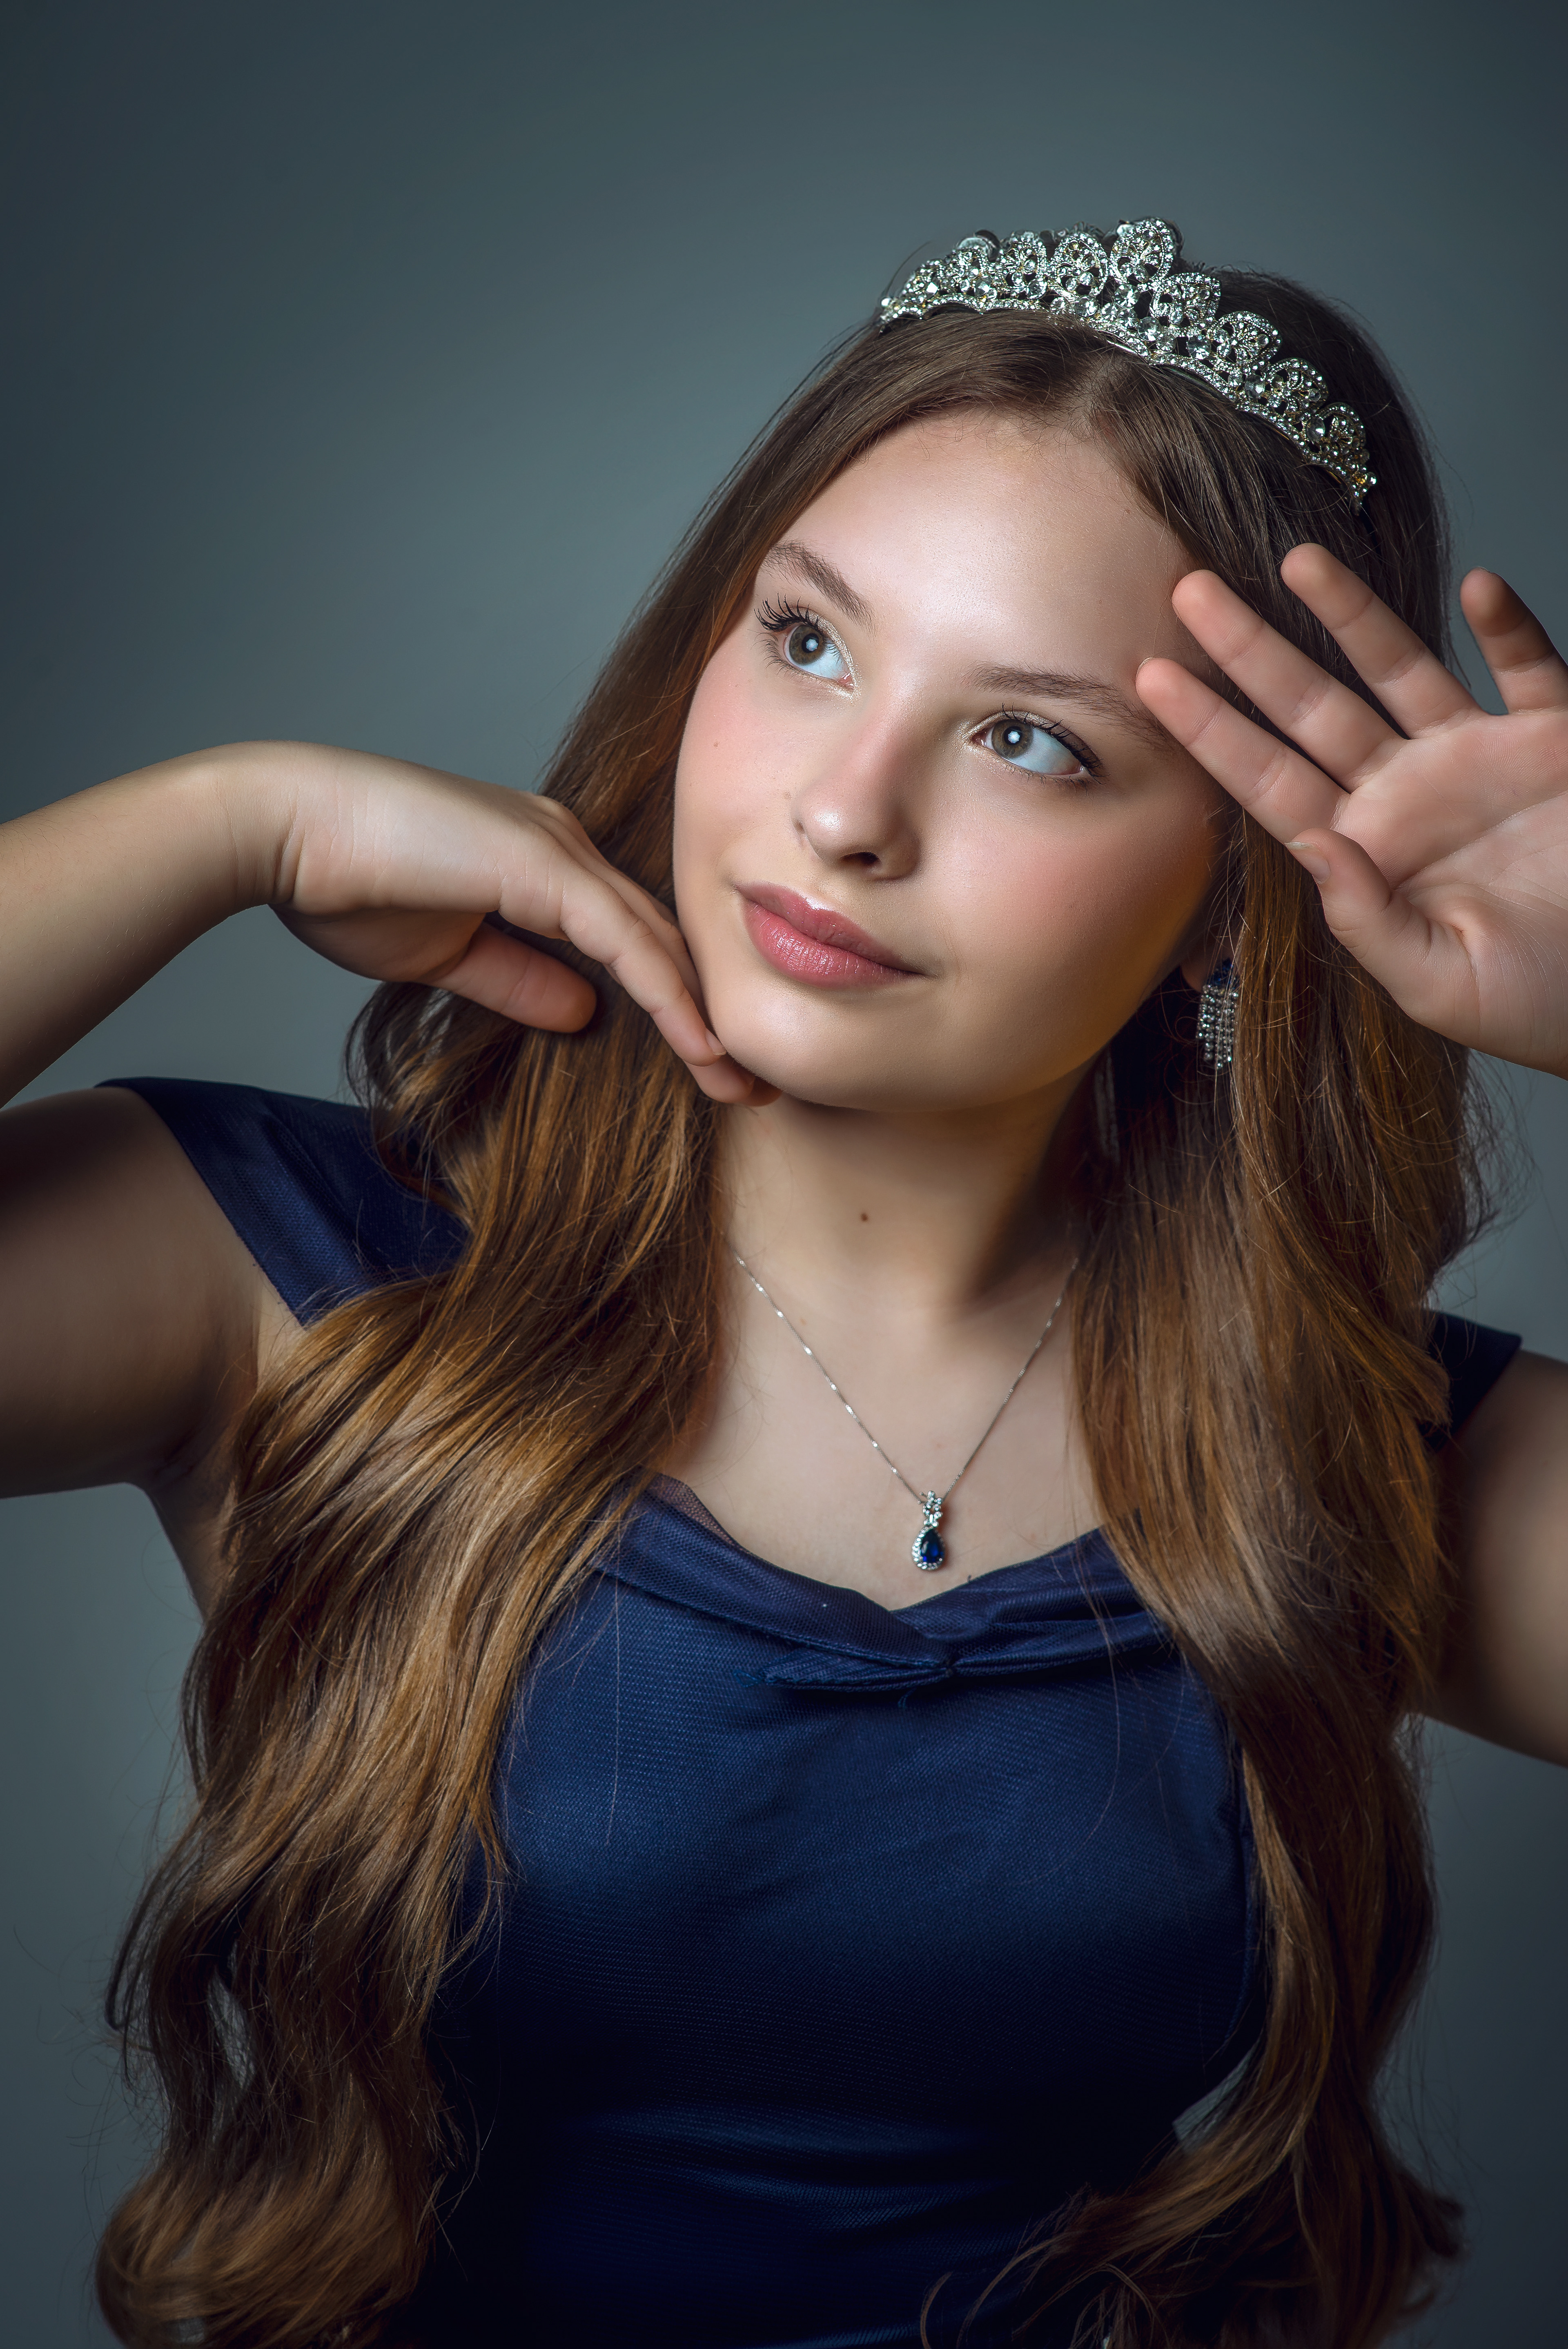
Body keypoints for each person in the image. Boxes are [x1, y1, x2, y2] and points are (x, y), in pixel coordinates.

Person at [2, 216, 1564, 2349]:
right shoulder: (279, 1271)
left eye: (1030, 742)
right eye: (810, 644)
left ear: (1241, 900)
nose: (843, 812)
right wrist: (223, 823)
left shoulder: (1360, 1440)